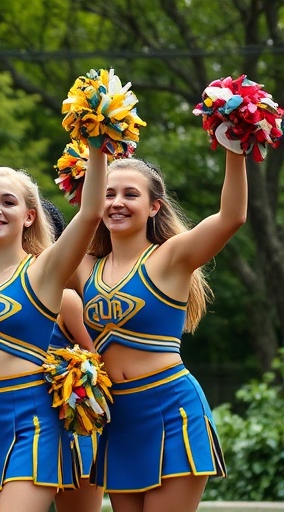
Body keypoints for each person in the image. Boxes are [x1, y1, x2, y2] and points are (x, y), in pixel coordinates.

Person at [0, 141, 107, 512]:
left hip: (31, 417)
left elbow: (91, 213)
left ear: (29, 216)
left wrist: (97, 147)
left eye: (7, 201)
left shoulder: (44, 271)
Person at [77, 151, 243, 512]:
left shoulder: (171, 257)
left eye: (130, 194)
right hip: (118, 417)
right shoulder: (83, 266)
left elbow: (232, 217)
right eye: (108, 194)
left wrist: (234, 149)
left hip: (170, 409)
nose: (117, 203)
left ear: (154, 207)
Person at [42, 198, 105, 512]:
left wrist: (63, 371)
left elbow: (95, 364)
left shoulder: (66, 300)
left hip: (71, 428)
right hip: (19, 424)